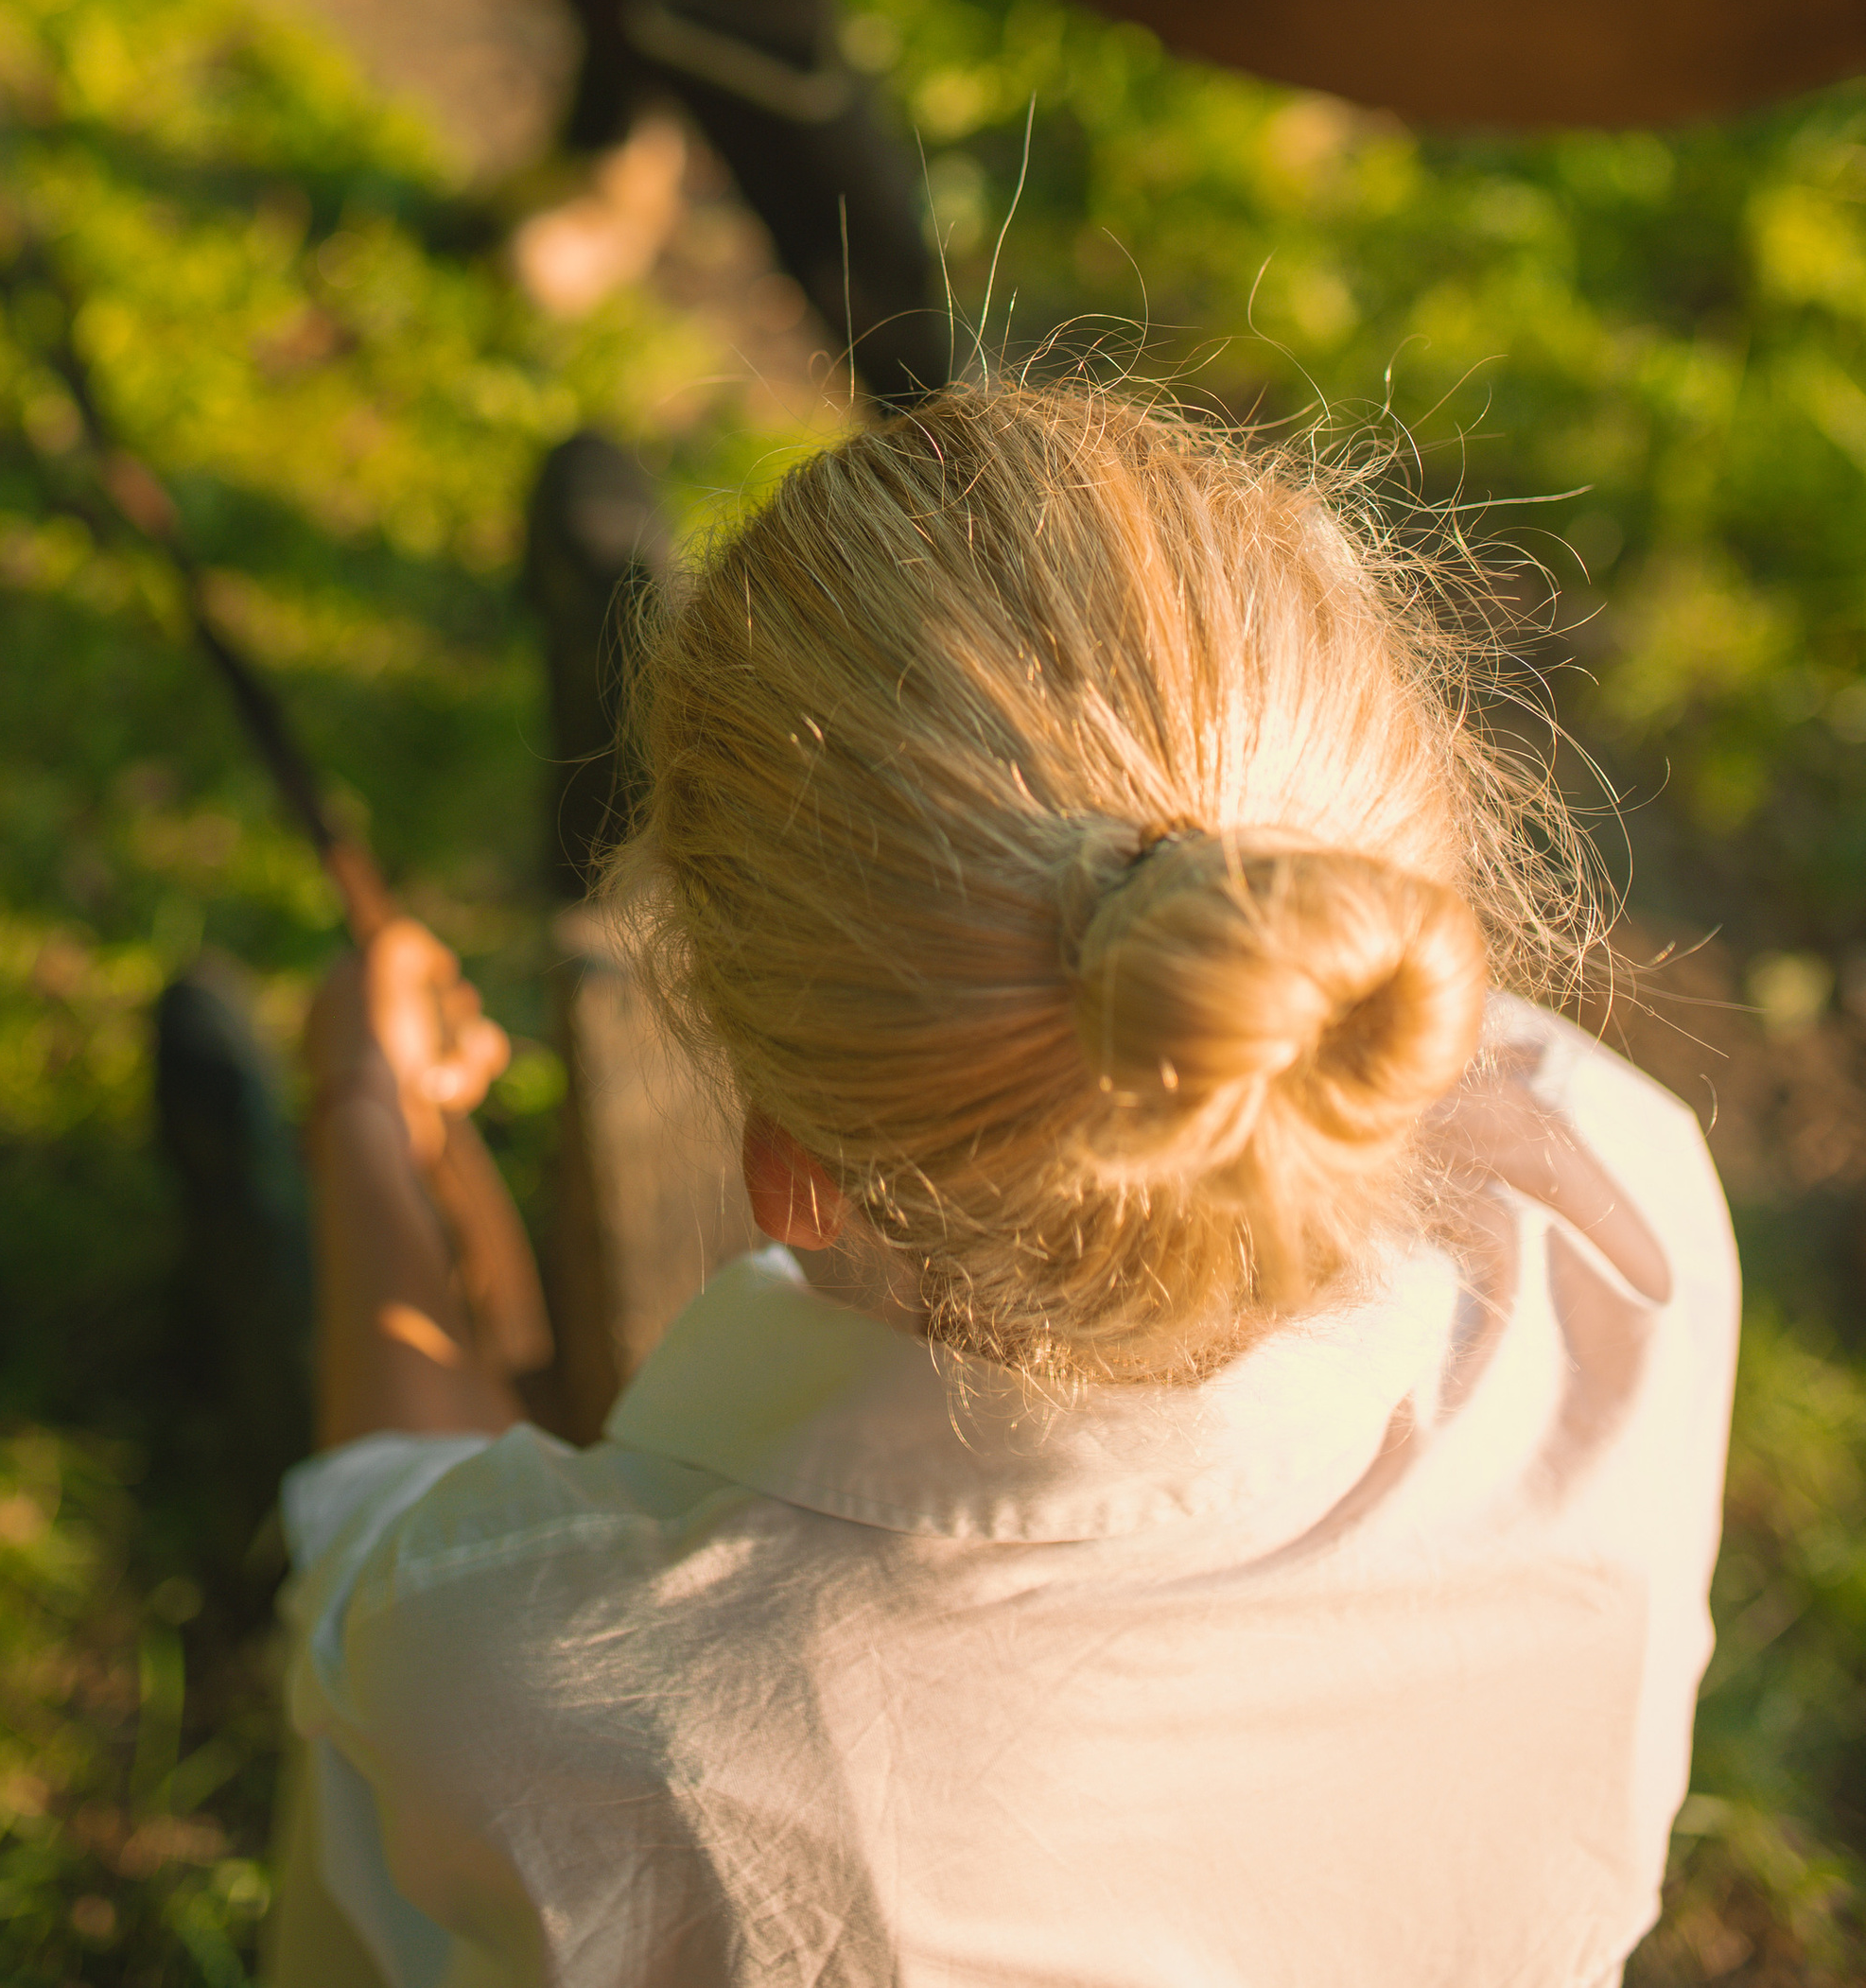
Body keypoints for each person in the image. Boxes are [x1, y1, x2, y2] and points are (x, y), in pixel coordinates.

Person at [267, 377, 1738, 1988]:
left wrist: (361, 1112)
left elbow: (373, 1549)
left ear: (786, 1167)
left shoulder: (578, 1691)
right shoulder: (1619, 1213)